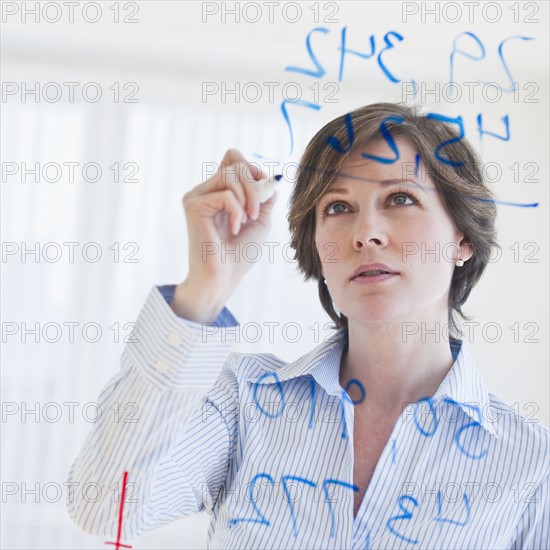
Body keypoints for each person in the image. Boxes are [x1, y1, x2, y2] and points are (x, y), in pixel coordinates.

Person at [68, 103, 549, 549]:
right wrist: (206, 287)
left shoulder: (533, 464)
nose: (366, 234)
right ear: (316, 247)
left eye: (400, 198)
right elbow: (107, 506)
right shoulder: (244, 401)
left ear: (462, 237)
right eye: (338, 207)